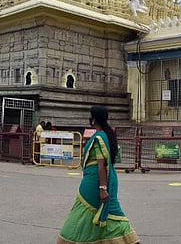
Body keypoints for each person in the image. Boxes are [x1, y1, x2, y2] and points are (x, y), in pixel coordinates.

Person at [57, 105, 139, 244]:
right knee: (109, 212)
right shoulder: (105, 135)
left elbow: (101, 165)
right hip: (102, 180)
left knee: (81, 214)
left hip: (95, 183)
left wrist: (102, 188)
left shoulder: (99, 138)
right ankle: (127, 239)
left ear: (94, 119)